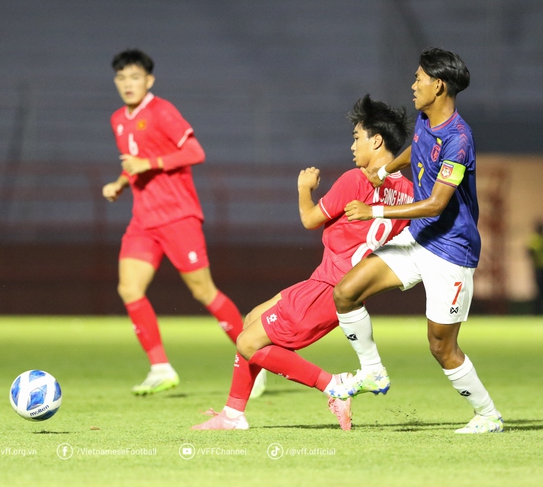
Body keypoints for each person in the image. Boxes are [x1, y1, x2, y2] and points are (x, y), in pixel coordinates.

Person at [191, 94, 414, 430]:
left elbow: (310, 219)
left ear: (377, 140)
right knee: (251, 319)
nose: (352, 146)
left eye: (357, 138)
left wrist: (303, 188)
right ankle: (233, 413)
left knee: (247, 342)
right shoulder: (409, 192)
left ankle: (334, 385)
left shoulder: (355, 180)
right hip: (343, 287)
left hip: (329, 287)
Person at [329, 48, 503, 434]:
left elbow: (437, 204)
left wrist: (373, 211)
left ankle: (488, 415)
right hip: (418, 240)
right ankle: (373, 372)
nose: (413, 85)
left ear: (438, 86)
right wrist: (387, 168)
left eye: (419, 78)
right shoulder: (426, 119)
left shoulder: (459, 139)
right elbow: (419, 149)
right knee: (346, 292)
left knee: (441, 347)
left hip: (451, 251)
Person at [102, 49, 265, 397]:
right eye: (121, 78)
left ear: (149, 80)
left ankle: (257, 359)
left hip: (178, 217)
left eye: (134, 77)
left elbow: (195, 153)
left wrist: (149, 165)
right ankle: (160, 368)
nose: (128, 84)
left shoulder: (162, 111)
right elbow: (134, 162)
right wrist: (120, 183)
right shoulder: (118, 118)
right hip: (143, 221)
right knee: (129, 289)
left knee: (202, 291)